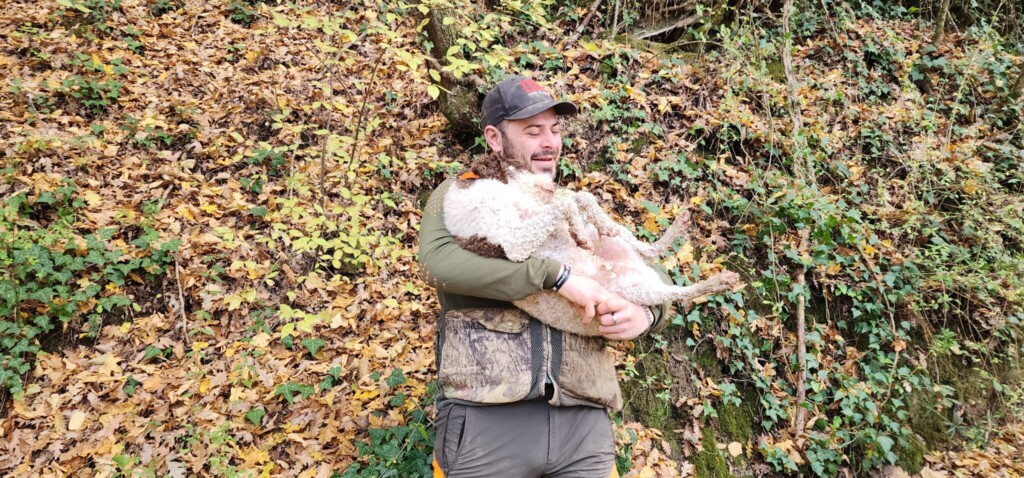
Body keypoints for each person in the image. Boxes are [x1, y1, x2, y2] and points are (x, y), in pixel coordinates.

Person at [418, 75, 672, 478]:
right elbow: (438, 263)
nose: (550, 142)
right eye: (533, 131)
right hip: (487, 420)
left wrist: (645, 315)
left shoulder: (568, 204)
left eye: (554, 130)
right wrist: (552, 274)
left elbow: (643, 271)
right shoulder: (460, 195)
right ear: (495, 138)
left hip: (583, 424)